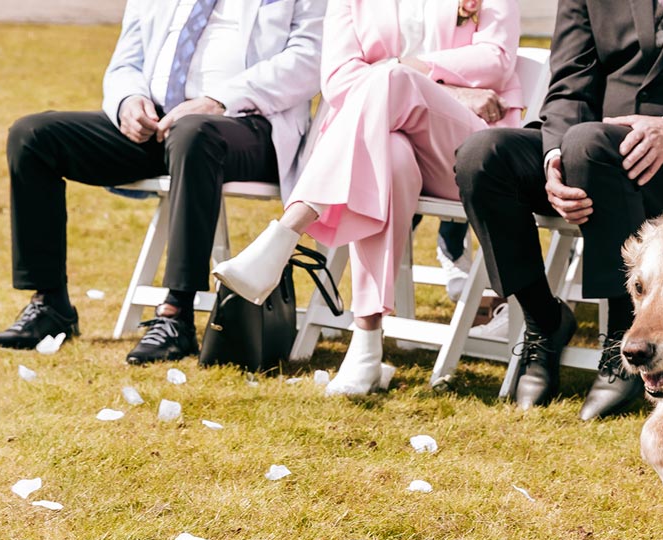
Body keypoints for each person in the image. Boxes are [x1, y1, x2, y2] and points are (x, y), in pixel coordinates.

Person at [456, 0, 663, 421]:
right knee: (483, 155)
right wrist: (553, 159)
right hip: (587, 151)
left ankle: (624, 342)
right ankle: (543, 321)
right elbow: (570, 82)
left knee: (591, 144)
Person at [0, 0, 325, 364]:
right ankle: (51, 305)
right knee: (33, 136)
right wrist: (129, 100)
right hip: (162, 125)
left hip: (251, 124)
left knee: (194, 134)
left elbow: (310, 58)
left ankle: (176, 316)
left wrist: (218, 100)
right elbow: (127, 60)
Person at [214, 0, 522, 396]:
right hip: (385, 140)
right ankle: (367, 343)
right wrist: (430, 81)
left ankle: (289, 229)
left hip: (469, 147)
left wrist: (418, 72)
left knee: (393, 80)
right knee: (388, 159)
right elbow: (340, 79)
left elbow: (495, 59)